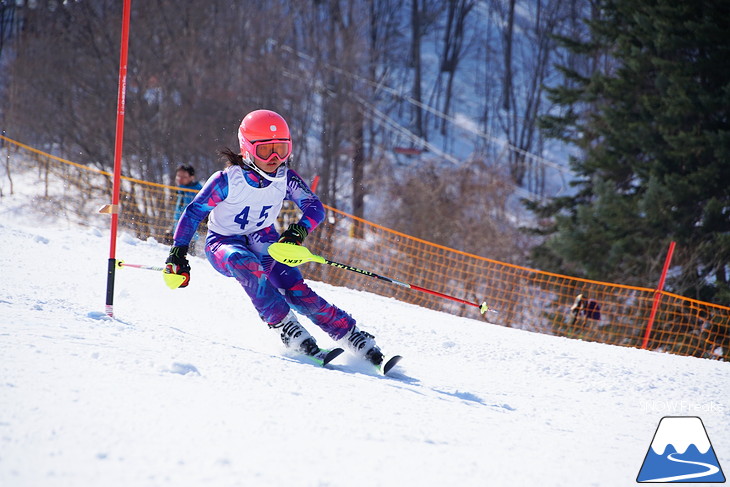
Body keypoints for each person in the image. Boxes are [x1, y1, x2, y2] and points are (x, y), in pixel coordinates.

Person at [164, 109, 385, 365]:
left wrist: (298, 231)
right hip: (223, 243)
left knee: (296, 290)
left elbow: (314, 208)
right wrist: (177, 252)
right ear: (247, 149)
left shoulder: (285, 178)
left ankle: (351, 335)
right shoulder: (226, 181)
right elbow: (193, 213)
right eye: (266, 150)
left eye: (282, 148)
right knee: (243, 261)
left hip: (263, 238)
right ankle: (286, 327)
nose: (275, 158)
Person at [168, 165, 203, 252]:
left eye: (184, 177)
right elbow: (178, 212)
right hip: (178, 231)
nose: (180, 179)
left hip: (191, 234)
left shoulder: (196, 192)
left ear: (192, 177)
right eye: (178, 176)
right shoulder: (181, 190)